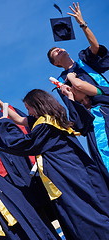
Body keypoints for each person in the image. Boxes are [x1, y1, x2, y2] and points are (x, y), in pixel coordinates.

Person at [0, 89, 109, 240]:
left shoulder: (45, 126)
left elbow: (25, 144)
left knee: (82, 214)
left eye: (28, 109)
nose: (28, 113)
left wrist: (1, 125)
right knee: (78, 213)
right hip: (69, 172)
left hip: (66, 174)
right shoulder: (51, 119)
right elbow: (19, 119)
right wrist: (1, 105)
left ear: (37, 106)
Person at [47, 2, 109, 170]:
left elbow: (95, 47)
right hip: (97, 116)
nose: (59, 50)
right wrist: (70, 92)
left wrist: (82, 23)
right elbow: (74, 105)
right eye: (55, 53)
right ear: (56, 63)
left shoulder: (84, 60)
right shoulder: (61, 81)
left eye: (59, 48)